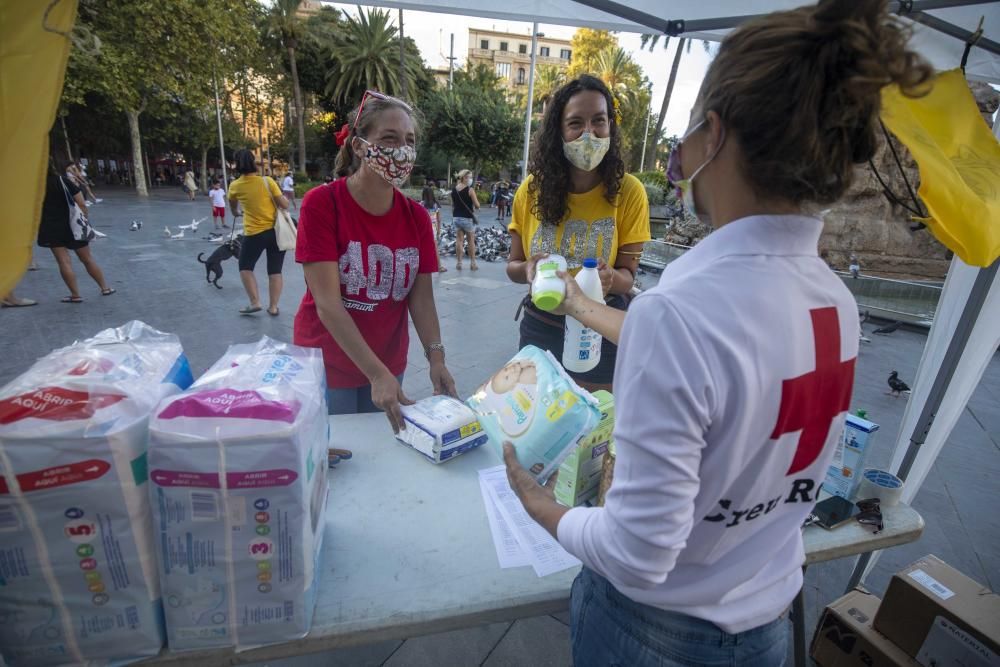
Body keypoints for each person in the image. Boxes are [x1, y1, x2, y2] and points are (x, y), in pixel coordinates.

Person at [502, 2, 932, 665]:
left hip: (653, 634)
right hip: (765, 624)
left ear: (716, 136)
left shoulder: (678, 313)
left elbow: (639, 554)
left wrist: (542, 509)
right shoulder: (837, 305)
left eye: (690, 132)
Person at [294, 90, 458, 426]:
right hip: (327, 366)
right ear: (359, 146)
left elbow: (422, 298)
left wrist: (436, 359)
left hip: (388, 364)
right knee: (334, 461)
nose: (402, 150)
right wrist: (376, 373)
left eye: (409, 140)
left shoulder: (416, 217)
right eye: (389, 138)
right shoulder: (322, 204)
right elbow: (328, 304)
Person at [506, 75, 651, 393]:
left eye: (599, 120)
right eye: (575, 123)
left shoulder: (630, 192)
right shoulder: (529, 192)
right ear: (559, 131)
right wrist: (528, 269)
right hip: (542, 324)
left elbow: (629, 274)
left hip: (600, 325)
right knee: (534, 419)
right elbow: (513, 266)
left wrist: (612, 277)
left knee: (593, 425)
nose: (589, 133)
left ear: (611, 125)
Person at [38, 159, 116, 303]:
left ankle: (75, 295)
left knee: (63, 262)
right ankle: (105, 288)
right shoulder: (63, 181)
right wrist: (84, 219)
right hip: (73, 225)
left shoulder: (35, 185)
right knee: (87, 259)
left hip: (50, 226)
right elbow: (81, 202)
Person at [227, 149, 290, 316]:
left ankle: (255, 302)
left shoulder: (235, 186)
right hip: (276, 232)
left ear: (237, 165)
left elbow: (233, 207)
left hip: (254, 234)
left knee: (245, 267)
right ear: (254, 163)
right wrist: (284, 198)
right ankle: (273, 307)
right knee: (275, 270)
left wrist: (236, 213)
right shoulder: (267, 181)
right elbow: (284, 204)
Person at [450, 169, 479, 271]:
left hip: (456, 217)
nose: (470, 179)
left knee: (459, 240)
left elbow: (453, 205)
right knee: (471, 241)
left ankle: (459, 263)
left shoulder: (454, 190)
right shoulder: (470, 190)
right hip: (467, 218)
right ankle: (473, 263)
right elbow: (477, 205)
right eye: (469, 177)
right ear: (464, 178)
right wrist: (475, 206)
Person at [421, 179, 447, 273]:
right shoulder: (436, 205)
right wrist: (439, 230)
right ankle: (439, 266)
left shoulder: (421, 204)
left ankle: (423, 265)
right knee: (435, 247)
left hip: (424, 228)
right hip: (433, 227)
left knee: (423, 247)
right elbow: (439, 219)